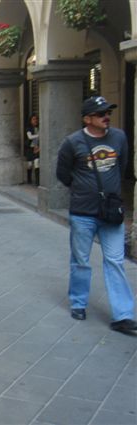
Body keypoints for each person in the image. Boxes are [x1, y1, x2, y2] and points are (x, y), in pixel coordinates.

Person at [56, 96, 136, 333]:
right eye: (101, 114)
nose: (106, 117)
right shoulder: (73, 142)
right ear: (87, 119)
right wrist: (84, 189)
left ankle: (123, 315)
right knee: (81, 260)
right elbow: (63, 174)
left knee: (115, 261)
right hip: (83, 212)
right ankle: (78, 303)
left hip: (111, 211)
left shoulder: (119, 137)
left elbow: (122, 167)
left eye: (108, 112)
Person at [25, 114, 40, 185]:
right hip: (30, 148)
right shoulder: (28, 128)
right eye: (33, 119)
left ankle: (37, 181)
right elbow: (30, 137)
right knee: (30, 164)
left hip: (37, 148)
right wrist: (39, 135)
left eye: (36, 119)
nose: (35, 120)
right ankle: (29, 179)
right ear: (31, 121)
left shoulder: (39, 128)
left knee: (37, 162)